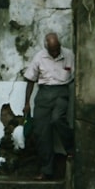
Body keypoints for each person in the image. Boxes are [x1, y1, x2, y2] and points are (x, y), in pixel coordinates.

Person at [23, 32, 75, 180]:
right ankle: (47, 170)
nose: (54, 53)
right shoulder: (39, 57)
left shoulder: (69, 55)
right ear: (46, 47)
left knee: (57, 118)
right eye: (51, 50)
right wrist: (27, 103)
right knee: (41, 132)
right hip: (44, 93)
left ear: (60, 45)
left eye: (56, 49)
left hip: (61, 92)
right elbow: (30, 80)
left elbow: (77, 77)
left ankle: (71, 147)